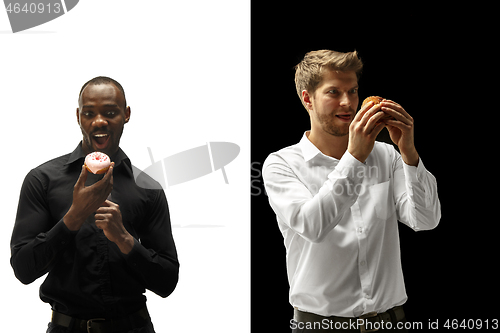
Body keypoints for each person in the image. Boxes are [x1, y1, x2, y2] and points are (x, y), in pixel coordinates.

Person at [262, 50, 441, 332]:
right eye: (333, 92)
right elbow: (312, 225)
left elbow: (426, 220)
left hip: (391, 322)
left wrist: (408, 152)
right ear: (307, 98)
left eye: (353, 91)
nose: (348, 103)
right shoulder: (282, 164)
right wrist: (355, 158)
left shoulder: (387, 156)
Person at [10, 76, 179, 333]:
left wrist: (124, 239)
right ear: (79, 117)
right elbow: (23, 269)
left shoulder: (148, 188)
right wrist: (74, 217)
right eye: (89, 113)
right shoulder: (42, 180)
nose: (99, 121)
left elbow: (167, 282)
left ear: (126, 114)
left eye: (110, 112)